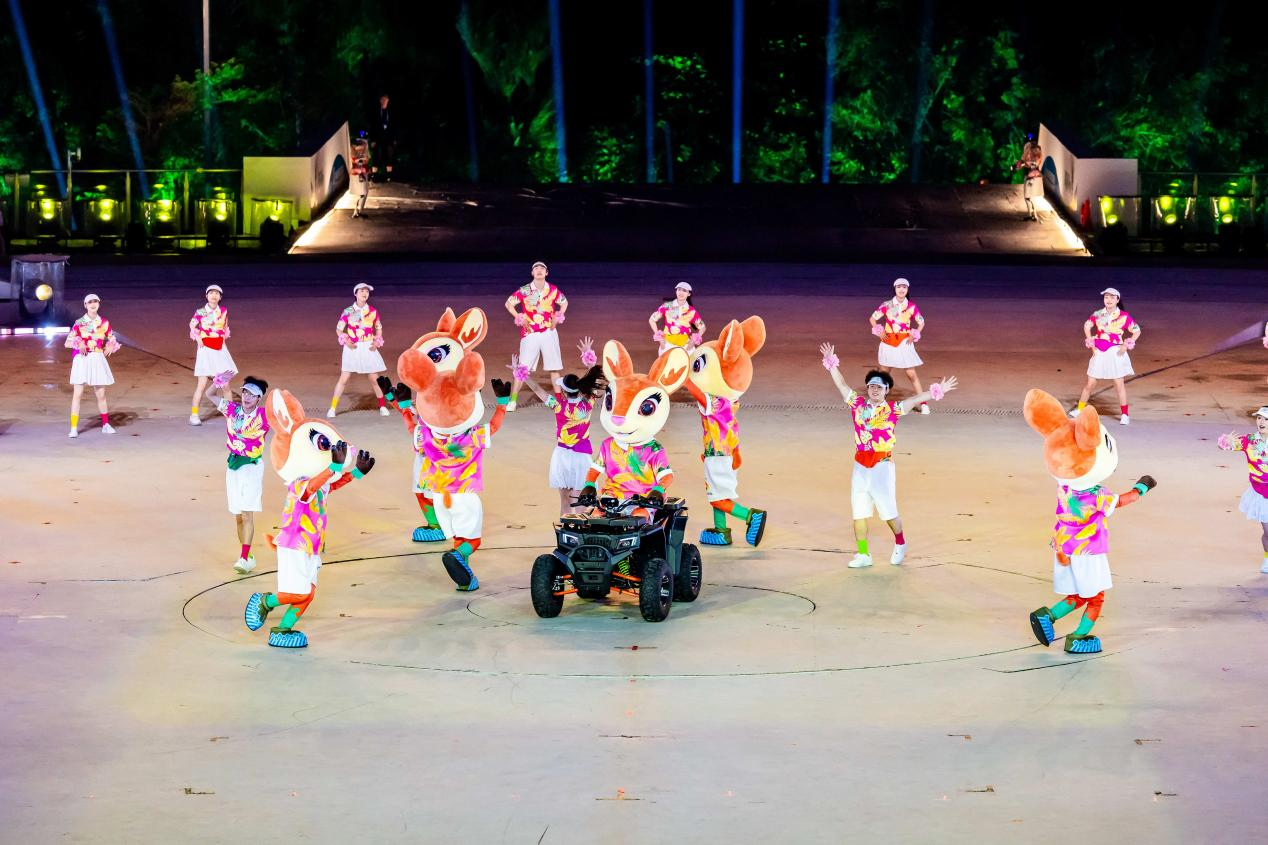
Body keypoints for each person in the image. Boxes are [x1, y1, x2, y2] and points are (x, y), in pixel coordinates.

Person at [1024, 390, 1156, 654]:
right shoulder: (1095, 494)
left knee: (1079, 593)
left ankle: (1047, 616)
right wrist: (1142, 487)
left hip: (1064, 546)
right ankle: (1078, 637)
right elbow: (1122, 500)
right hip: (1087, 551)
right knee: (1095, 597)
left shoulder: (1065, 487)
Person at [243, 388, 375, 649]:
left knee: (308, 594)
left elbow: (330, 486)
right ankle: (265, 602)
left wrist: (357, 473)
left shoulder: (320, 483)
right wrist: (334, 466)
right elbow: (312, 488)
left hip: (311, 546)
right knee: (298, 592)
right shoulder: (299, 483)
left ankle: (283, 629)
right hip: (295, 544)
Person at [818, 345, 957, 568]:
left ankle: (900, 542)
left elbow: (915, 399)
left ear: (886, 390)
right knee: (859, 513)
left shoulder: (893, 409)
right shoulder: (857, 404)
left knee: (889, 513)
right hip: (860, 465)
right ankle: (863, 554)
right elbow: (842, 384)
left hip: (882, 466)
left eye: (879, 387)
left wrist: (936, 391)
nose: (874, 390)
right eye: (871, 386)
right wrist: (831, 363)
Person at [512, 338, 603, 515]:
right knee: (579, 502)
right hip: (581, 456)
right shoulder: (588, 403)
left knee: (565, 502)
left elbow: (537, 390)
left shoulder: (559, 405)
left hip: (562, 456)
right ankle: (581, 528)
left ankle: (565, 531)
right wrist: (589, 359)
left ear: (565, 391)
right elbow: (593, 381)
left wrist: (523, 375)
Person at [205, 371, 270, 574]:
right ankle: (248, 557)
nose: (247, 397)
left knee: (247, 512)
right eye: (244, 392)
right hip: (233, 466)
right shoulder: (232, 410)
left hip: (251, 466)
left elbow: (287, 422)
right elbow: (210, 395)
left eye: (252, 394)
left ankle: (243, 557)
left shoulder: (264, 416)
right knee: (238, 516)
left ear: (259, 398)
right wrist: (218, 382)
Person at [1071, 287, 1140, 425]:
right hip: (1099, 351)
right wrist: (1091, 343)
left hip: (1115, 352)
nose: (1108, 300)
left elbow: (1136, 330)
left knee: (1119, 385)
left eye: (1112, 297)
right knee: (1090, 383)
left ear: (1117, 300)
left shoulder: (1124, 316)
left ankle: (1125, 415)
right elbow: (1087, 326)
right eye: (1106, 297)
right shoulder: (1097, 314)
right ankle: (1079, 409)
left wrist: (1126, 345)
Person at [504, 261, 568, 411]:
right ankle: (513, 401)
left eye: (542, 268)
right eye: (536, 268)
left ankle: (559, 401)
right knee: (522, 368)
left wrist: (557, 317)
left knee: (554, 368)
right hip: (530, 333)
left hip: (549, 332)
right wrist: (519, 317)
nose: (539, 270)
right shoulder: (525, 290)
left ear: (546, 273)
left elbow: (564, 303)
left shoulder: (553, 290)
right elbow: (508, 304)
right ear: (532, 273)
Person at [1218, 407, 1268, 574]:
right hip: (1262, 492)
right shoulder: (1250, 440)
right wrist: (1226, 441)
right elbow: (1223, 446)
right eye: (1259, 418)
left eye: (1266, 419)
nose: (1261, 422)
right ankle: (1267, 559)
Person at [869, 278, 929, 414]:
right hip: (888, 341)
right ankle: (878, 404)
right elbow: (872, 319)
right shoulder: (887, 305)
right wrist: (879, 331)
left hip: (904, 342)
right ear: (895, 289)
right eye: (899, 287)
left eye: (904, 287)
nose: (901, 290)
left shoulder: (911, 306)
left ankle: (923, 403)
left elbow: (921, 322)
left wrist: (914, 333)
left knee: (911, 374)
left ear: (907, 290)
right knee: (884, 375)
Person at [328, 282, 388, 418]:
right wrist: (345, 340)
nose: (365, 293)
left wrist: (377, 341)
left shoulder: (372, 311)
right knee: (344, 378)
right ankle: (332, 408)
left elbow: (378, 328)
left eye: (367, 291)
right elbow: (338, 329)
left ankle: (383, 406)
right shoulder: (348, 311)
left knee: (374, 379)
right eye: (362, 291)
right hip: (352, 347)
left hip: (368, 347)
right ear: (355, 294)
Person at [66, 293, 120, 438]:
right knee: (77, 394)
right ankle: (73, 428)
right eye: (90, 302)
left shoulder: (104, 322)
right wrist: (79, 344)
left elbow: (112, 338)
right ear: (85, 305)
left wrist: (111, 344)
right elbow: (68, 342)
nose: (93, 304)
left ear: (99, 304)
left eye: (95, 301)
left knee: (101, 394)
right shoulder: (79, 323)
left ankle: (105, 425)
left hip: (97, 358)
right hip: (82, 359)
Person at [188, 284, 237, 425]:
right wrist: (198, 337)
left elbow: (225, 328)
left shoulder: (224, 311)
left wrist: (223, 345)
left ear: (220, 297)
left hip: (220, 349)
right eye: (211, 293)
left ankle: (230, 415)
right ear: (206, 296)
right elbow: (192, 325)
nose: (214, 295)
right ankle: (194, 415)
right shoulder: (201, 311)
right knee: (202, 384)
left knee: (226, 384)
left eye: (217, 293)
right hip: (205, 349)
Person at [648, 282, 706, 354]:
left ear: (689, 294)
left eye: (684, 291)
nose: (681, 292)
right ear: (676, 291)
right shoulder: (667, 306)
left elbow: (702, 327)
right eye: (679, 290)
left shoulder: (691, 311)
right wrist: (660, 338)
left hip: (686, 346)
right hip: (667, 345)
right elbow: (652, 320)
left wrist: (693, 341)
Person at [1013, 133, 1043, 221]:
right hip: (1033, 175)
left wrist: (1023, 164)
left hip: (1032, 176)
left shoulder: (1032, 149)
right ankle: (1032, 214)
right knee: (1029, 196)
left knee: (1028, 196)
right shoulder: (1035, 149)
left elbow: (1033, 163)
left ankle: (1033, 214)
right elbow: (1027, 161)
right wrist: (1021, 164)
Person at [371, 94, 395, 182]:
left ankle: (389, 176)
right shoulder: (376, 112)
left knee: (389, 156)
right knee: (377, 155)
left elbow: (395, 126)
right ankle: (374, 175)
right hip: (378, 138)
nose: (384, 101)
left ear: (388, 101)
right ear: (380, 101)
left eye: (386, 99)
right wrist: (373, 139)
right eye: (382, 99)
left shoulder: (391, 112)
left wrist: (394, 138)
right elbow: (372, 126)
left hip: (389, 138)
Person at [350, 136, 370, 218]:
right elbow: (358, 161)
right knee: (363, 192)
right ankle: (359, 211)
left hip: (360, 173)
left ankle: (357, 211)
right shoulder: (354, 151)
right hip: (358, 173)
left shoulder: (361, 150)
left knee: (362, 192)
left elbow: (366, 160)